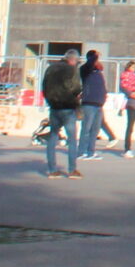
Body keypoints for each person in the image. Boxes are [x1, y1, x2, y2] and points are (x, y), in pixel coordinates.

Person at [41, 45, 85, 179]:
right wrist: (76, 98)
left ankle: (52, 170)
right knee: (72, 139)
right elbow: (76, 87)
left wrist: (50, 100)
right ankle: (72, 170)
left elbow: (44, 86)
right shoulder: (71, 70)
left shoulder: (50, 68)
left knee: (53, 138)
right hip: (67, 107)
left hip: (54, 107)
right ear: (73, 60)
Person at [78, 50, 109, 162]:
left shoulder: (98, 72)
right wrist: (95, 55)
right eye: (96, 58)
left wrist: (104, 95)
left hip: (99, 104)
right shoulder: (85, 69)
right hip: (89, 103)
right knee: (86, 128)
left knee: (95, 129)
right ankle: (81, 152)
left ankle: (91, 151)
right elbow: (90, 63)